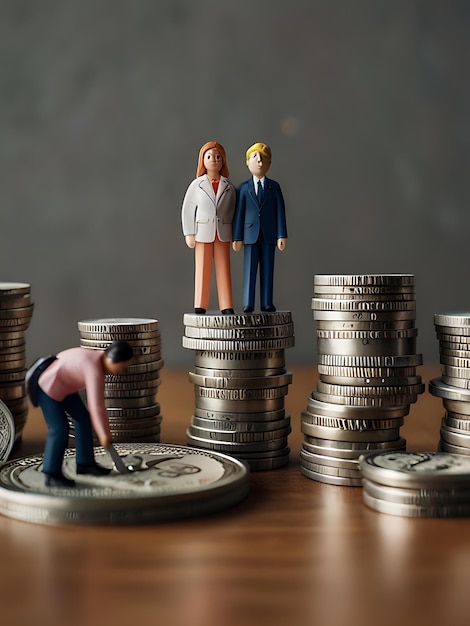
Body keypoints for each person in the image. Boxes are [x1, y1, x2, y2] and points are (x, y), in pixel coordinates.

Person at [29, 341, 133, 487]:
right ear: (114, 359)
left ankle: (85, 464)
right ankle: (51, 473)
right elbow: (96, 406)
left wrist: (104, 433)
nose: (121, 371)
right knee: (59, 429)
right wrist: (104, 435)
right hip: (48, 387)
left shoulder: (97, 360)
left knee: (83, 419)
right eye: (122, 367)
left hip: (65, 388)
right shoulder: (94, 369)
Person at [181, 141, 236, 314]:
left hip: (223, 233)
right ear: (202, 160)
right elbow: (187, 209)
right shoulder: (196, 185)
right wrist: (189, 233)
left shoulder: (228, 186)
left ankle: (226, 305)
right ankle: (200, 304)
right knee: (202, 269)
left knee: (223, 270)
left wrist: (237, 236)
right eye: (210, 156)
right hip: (202, 232)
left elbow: (235, 211)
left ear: (223, 161)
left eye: (218, 157)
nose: (214, 160)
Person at [232, 142, 287, 313]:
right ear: (247, 162)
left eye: (264, 158)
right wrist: (237, 237)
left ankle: (266, 302)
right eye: (255, 157)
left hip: (269, 234)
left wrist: (281, 235)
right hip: (249, 234)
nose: (259, 161)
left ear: (270, 163)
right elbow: (239, 214)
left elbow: (280, 211)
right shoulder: (243, 188)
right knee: (249, 269)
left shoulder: (274, 187)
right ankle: (248, 302)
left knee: (267, 269)